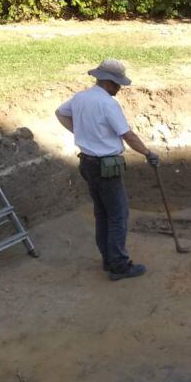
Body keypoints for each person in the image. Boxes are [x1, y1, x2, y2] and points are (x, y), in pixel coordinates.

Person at [55, 59, 160, 281]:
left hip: (87, 163)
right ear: (110, 82)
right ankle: (119, 266)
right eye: (119, 84)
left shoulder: (80, 97)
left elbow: (60, 113)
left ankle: (108, 260)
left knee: (102, 214)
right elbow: (127, 135)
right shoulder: (108, 104)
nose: (120, 88)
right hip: (105, 167)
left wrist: (80, 133)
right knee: (118, 216)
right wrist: (148, 153)